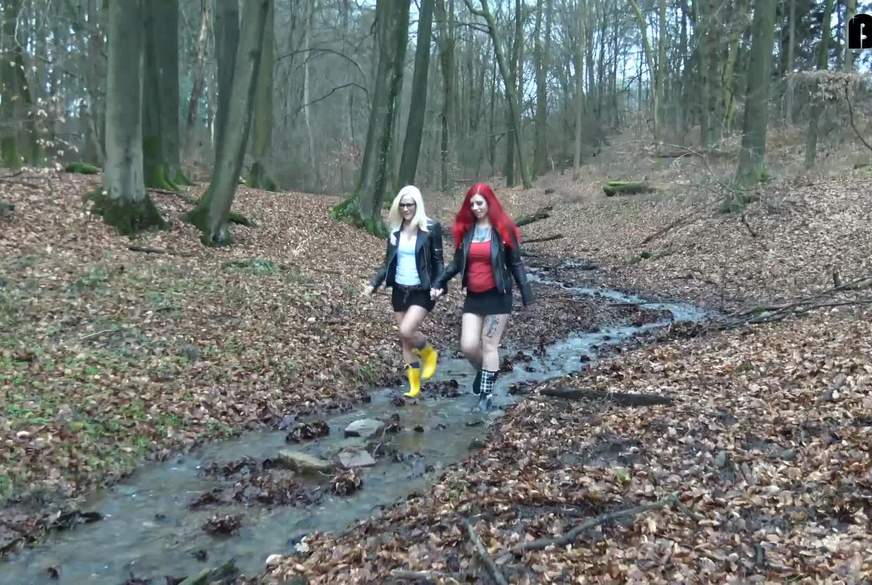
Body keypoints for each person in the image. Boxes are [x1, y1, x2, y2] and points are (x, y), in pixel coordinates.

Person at [431, 182, 532, 411]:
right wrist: (439, 282)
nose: (476, 208)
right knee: (468, 346)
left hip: (498, 296)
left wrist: (526, 294)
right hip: (474, 297)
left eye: (480, 203)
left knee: (489, 345)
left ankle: (486, 397)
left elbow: (516, 264)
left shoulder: (503, 230)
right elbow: (457, 263)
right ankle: (485, 372)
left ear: (489, 203)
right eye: (472, 204)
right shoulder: (467, 231)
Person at [366, 185, 444, 398]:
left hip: (422, 290)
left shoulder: (430, 227)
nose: (406, 209)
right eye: (402, 205)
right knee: (405, 340)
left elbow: (438, 262)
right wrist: (374, 283)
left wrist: (439, 285)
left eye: (409, 204)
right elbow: (387, 262)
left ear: (417, 205)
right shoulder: (395, 230)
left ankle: (429, 353)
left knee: (406, 331)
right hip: (400, 289)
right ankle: (414, 386)